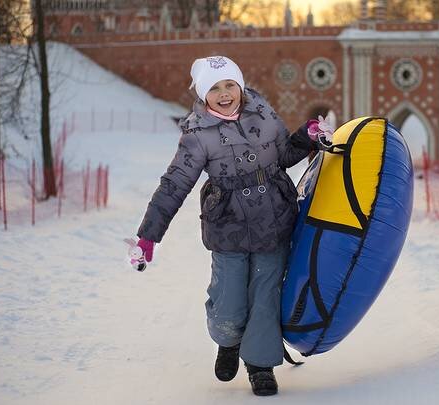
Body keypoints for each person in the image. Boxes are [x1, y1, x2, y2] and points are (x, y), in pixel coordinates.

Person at [130, 56, 326, 396]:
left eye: (229, 85)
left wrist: (306, 137)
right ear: (203, 93)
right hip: (227, 225)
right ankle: (228, 340)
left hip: (273, 220)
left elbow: (284, 155)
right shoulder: (197, 132)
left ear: (240, 86)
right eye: (215, 88)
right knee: (228, 300)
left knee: (265, 295)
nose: (224, 94)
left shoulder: (262, 113)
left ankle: (260, 364)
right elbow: (174, 184)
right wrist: (149, 237)